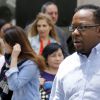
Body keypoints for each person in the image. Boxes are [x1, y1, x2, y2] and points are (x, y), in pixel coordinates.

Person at [50, 4, 100, 100]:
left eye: (82, 27)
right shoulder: (66, 64)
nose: (75, 33)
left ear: (98, 30)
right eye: (73, 28)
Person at [0, 26, 46, 100]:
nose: (3, 45)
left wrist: (14, 58)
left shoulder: (30, 64)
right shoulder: (9, 58)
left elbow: (14, 85)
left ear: (14, 44)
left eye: (5, 42)